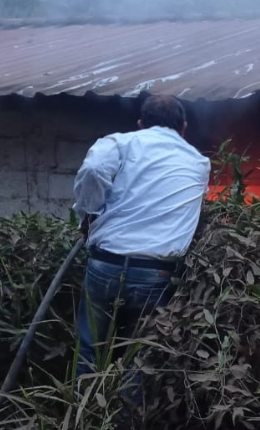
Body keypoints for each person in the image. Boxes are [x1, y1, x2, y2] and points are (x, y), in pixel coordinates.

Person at [73, 94, 210, 404]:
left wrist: (88, 214)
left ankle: (81, 423)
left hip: (105, 263)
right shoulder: (199, 163)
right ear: (184, 127)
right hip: (156, 273)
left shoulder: (120, 143)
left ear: (140, 124)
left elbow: (93, 170)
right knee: (138, 361)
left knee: (89, 349)